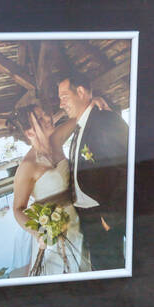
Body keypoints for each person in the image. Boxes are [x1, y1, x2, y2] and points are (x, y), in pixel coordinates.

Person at [57, 73, 130, 272]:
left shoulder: (105, 120)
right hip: (87, 216)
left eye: (64, 96)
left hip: (102, 215)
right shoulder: (80, 126)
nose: (61, 104)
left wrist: (109, 218)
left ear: (80, 91)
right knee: (99, 266)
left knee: (110, 268)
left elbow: (128, 167)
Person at [10, 104, 85, 277]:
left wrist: (93, 100)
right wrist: (40, 233)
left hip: (78, 218)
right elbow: (17, 209)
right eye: (41, 118)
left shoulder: (56, 140)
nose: (49, 117)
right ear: (30, 133)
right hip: (55, 232)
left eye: (45, 113)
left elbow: (79, 116)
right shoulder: (27, 166)